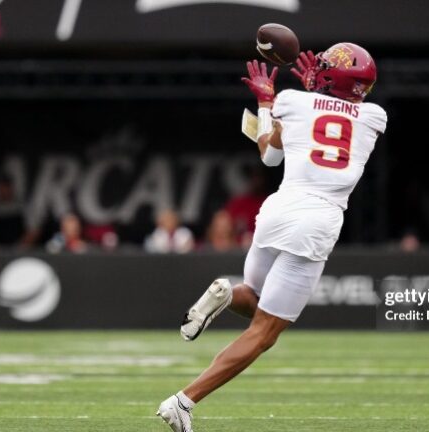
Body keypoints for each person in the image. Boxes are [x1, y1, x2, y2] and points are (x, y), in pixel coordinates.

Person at [157, 44, 387, 431]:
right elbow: (341, 110)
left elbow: (269, 157)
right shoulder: (375, 117)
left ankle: (227, 293)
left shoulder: (293, 102)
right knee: (264, 333)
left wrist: (267, 102)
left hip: (278, 210)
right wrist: (318, 91)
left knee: (254, 299)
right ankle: (183, 402)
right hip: (319, 218)